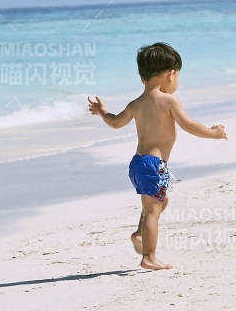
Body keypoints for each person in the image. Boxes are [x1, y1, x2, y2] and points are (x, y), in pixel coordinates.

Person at [87, 42, 227, 270]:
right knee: (153, 210)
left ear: (143, 78)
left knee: (159, 202)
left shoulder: (136, 104)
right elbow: (189, 125)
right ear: (171, 74)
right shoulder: (169, 100)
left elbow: (115, 123)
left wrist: (102, 111)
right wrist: (213, 133)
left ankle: (140, 234)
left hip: (137, 164)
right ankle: (148, 256)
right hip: (154, 165)